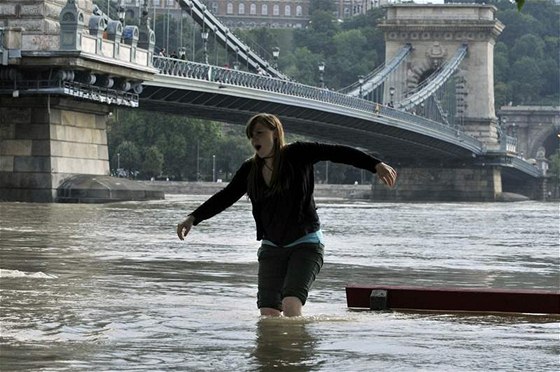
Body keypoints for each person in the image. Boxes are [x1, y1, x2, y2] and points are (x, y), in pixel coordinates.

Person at [176, 113, 397, 317]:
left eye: (260, 133)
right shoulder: (250, 169)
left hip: (306, 244)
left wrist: (374, 164)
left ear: (275, 133)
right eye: (251, 136)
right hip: (272, 247)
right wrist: (193, 217)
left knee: (291, 305)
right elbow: (226, 196)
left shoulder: (298, 153)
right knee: (268, 314)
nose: (255, 139)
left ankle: (296, 357)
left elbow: (337, 152)